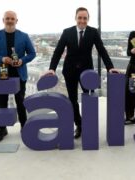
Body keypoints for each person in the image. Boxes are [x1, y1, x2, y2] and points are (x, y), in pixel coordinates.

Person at [44, 7, 118, 139]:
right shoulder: (67, 32)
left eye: (85, 18)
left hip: (87, 72)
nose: (82, 20)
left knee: (88, 98)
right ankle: (79, 125)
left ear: (88, 19)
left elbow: (102, 50)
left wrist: (110, 67)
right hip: (70, 71)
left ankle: (89, 125)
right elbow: (58, 51)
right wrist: (52, 68)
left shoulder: (93, 32)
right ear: (75, 18)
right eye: (80, 18)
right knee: (72, 100)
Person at [0, 11, 36, 142]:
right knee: (2, 103)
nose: (10, 21)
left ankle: (24, 126)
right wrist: (1, 59)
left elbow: (32, 53)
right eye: (7, 18)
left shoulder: (24, 36)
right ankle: (2, 129)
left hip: (19, 74)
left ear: (17, 21)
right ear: (3, 20)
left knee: (20, 102)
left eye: (12, 19)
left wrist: (22, 60)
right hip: (2, 74)